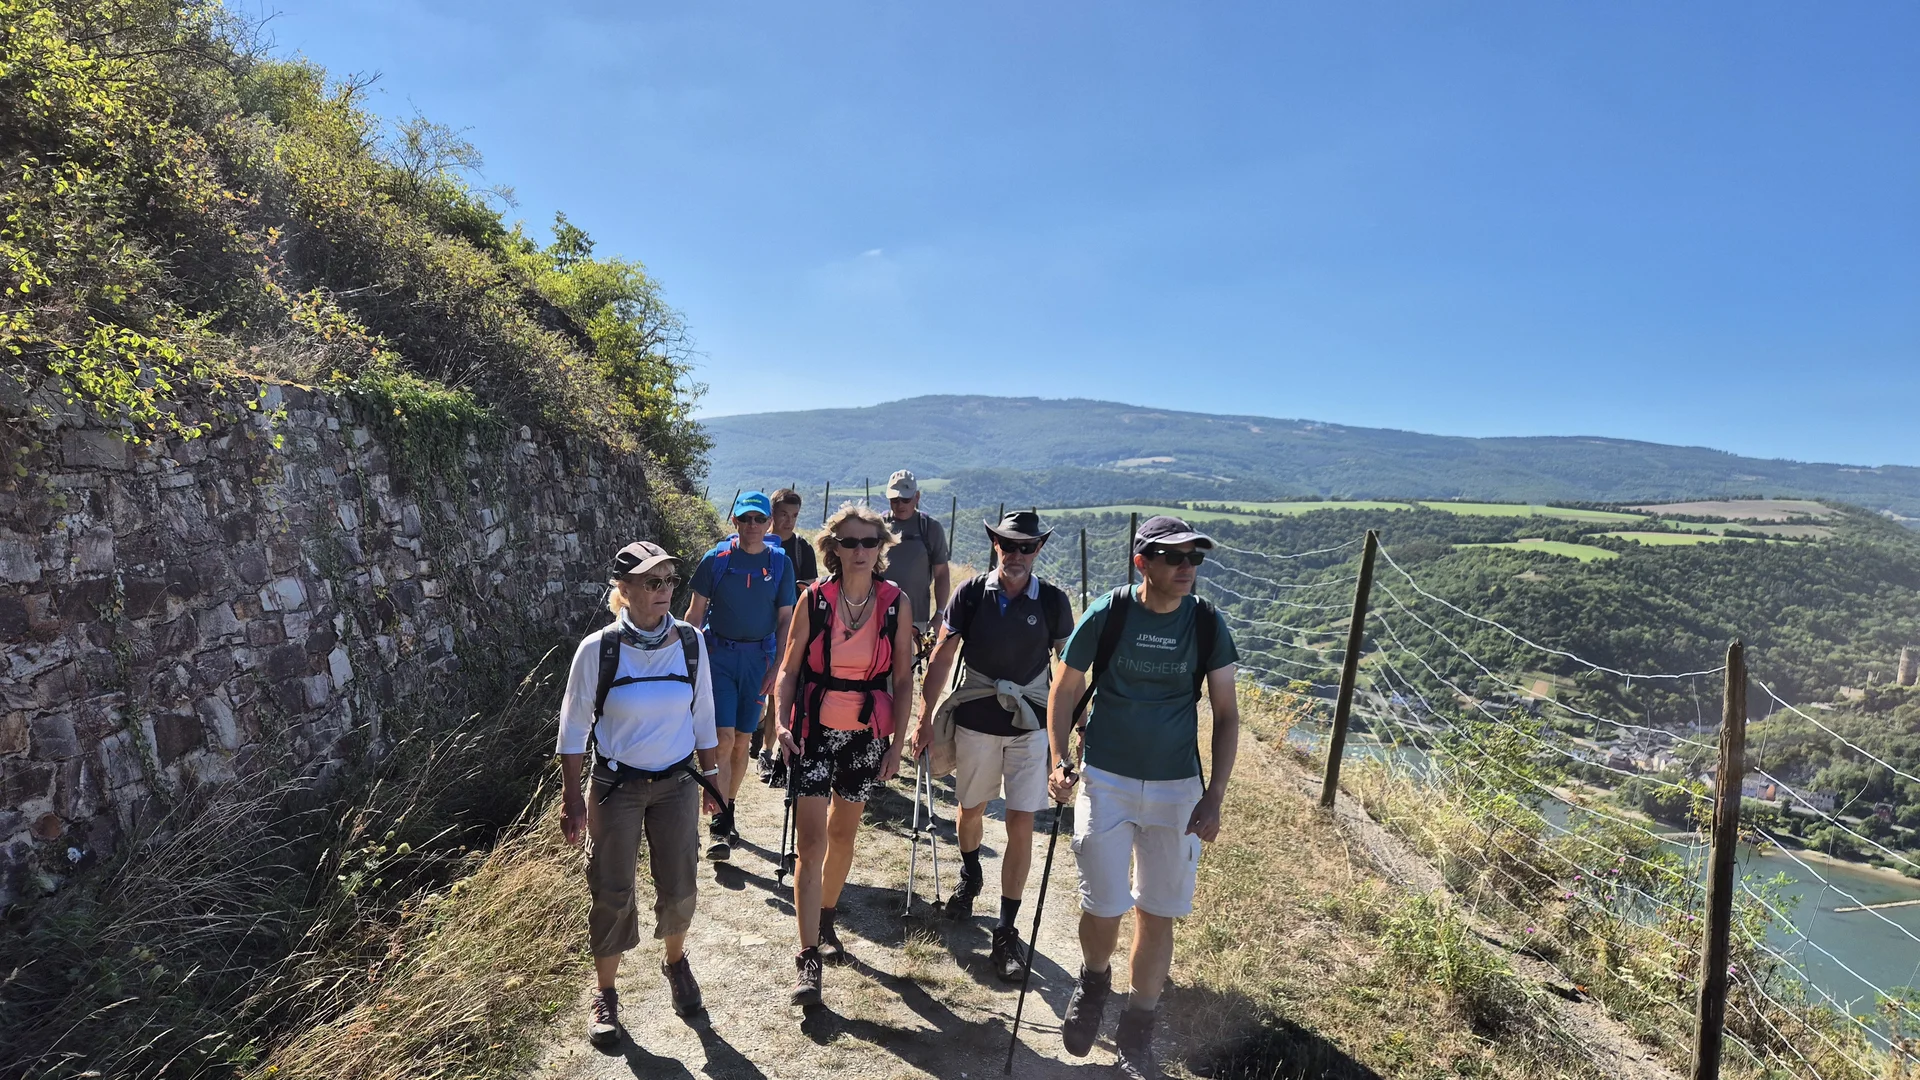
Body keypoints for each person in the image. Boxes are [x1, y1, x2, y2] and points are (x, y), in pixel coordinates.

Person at [1044, 516, 1241, 1080]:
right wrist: (1062, 761)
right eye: (1174, 557)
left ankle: (1138, 1026)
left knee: (1159, 912)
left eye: (1195, 558)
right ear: (1143, 563)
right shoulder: (1110, 613)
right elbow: (1065, 689)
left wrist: (1215, 795)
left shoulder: (1206, 624)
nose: (1188, 568)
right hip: (1106, 779)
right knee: (1102, 902)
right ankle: (1093, 979)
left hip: (1179, 789)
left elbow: (1226, 714)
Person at [557, 541, 723, 1047]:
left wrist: (712, 778)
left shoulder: (691, 643)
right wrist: (571, 796)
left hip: (676, 785)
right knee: (611, 889)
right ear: (623, 590)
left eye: (670, 580)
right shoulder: (599, 649)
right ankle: (605, 993)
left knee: (680, 884)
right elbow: (572, 728)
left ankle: (675, 964)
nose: (665, 591)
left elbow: (704, 717)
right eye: (653, 582)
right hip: (615, 787)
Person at [910, 510, 1074, 982]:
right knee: (970, 810)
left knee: (1022, 823)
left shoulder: (1053, 602)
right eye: (1008, 545)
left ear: (1039, 549)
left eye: (1026, 546)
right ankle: (971, 872)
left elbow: (1069, 670)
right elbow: (942, 657)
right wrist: (925, 718)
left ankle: (1006, 928)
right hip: (977, 723)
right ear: (995, 545)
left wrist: (1076, 726)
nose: (1016, 554)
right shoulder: (972, 594)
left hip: (1030, 729)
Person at [771, 503, 915, 1005]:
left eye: (869, 542)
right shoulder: (816, 598)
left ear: (881, 549)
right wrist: (780, 724)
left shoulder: (896, 602)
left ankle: (827, 915)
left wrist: (897, 744)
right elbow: (789, 670)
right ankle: (808, 958)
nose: (860, 551)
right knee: (810, 845)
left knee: (842, 834)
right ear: (832, 548)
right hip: (812, 732)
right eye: (849, 542)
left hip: (865, 734)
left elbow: (902, 677)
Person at [685, 492, 797, 861]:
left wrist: (777, 668)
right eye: (745, 519)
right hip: (719, 658)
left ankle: (728, 809)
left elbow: (785, 621)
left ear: (768, 524)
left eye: (758, 519)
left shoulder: (780, 563)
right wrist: (684, 662)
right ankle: (718, 822)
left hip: (759, 661)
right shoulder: (715, 560)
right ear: (734, 522)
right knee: (724, 736)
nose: (752, 526)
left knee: (742, 740)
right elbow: (695, 613)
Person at [755, 488, 819, 781]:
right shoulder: (755, 543)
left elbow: (813, 589)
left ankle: (768, 753)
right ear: (772, 514)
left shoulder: (801, 549)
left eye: (794, 516)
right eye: (783, 514)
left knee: (779, 693)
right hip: (756, 629)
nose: (789, 521)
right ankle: (754, 739)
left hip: (791, 629)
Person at [878, 470, 950, 640]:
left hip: (915, 619)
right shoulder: (877, 526)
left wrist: (939, 614)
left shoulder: (930, 528)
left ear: (917, 497)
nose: (900, 504)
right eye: (895, 500)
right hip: (877, 615)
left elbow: (941, 574)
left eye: (905, 499)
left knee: (907, 666)